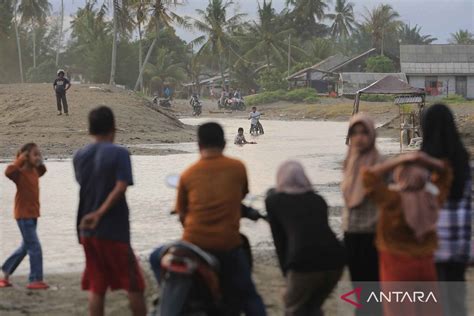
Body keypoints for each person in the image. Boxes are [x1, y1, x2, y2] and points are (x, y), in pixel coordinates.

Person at [149, 122, 266, 316]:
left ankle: (164, 291)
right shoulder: (237, 167)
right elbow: (240, 195)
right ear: (224, 143)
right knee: (249, 295)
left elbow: (182, 215)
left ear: (199, 144)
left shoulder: (188, 174)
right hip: (227, 246)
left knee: (155, 257)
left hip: (192, 244)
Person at [73, 106, 146, 316]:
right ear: (113, 128)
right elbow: (121, 185)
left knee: (97, 285)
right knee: (134, 284)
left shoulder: (79, 155)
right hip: (113, 229)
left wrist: (93, 214)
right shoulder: (120, 153)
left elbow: (85, 185)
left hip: (85, 228)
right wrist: (100, 213)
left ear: (90, 130)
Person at [363, 152, 451, 316]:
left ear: (399, 175)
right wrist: (425, 159)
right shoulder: (431, 199)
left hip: (396, 265)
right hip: (425, 264)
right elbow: (446, 174)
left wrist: (399, 160)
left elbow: (369, 177)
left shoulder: (393, 200)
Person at [266, 161, 345, 316]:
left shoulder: (274, 202)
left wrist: (287, 275)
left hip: (303, 262)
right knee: (314, 306)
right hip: (336, 262)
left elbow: (280, 243)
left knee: (294, 308)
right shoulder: (318, 200)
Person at [421, 103, 472, 316]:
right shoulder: (464, 164)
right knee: (455, 300)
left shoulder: (421, 164)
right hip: (458, 245)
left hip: (428, 245)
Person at [341, 113, 382, 315]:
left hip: (373, 235)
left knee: (372, 291)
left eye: (364, 132)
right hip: (351, 233)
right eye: (354, 133)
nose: (359, 138)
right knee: (359, 290)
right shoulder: (349, 162)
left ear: (372, 134)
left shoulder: (381, 163)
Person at [0, 143, 48, 290]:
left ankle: (5, 273)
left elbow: (43, 170)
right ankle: (35, 279)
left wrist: (38, 160)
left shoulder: (35, 171)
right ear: (26, 157)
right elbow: (8, 172)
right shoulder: (19, 173)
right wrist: (20, 159)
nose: (38, 157)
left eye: (39, 154)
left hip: (33, 215)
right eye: (35, 154)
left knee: (25, 247)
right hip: (23, 215)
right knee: (35, 246)